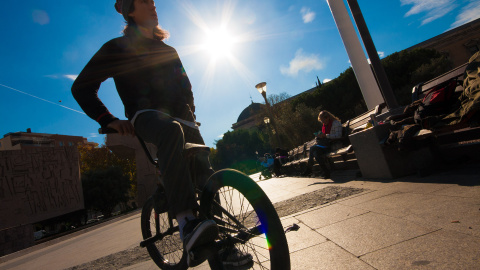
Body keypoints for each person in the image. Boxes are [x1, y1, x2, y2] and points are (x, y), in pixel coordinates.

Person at [71, 0, 251, 267]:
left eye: (154, 2)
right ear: (130, 10)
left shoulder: (168, 49)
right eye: (145, 1)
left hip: (185, 120)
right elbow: (82, 87)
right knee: (169, 130)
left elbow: (186, 86)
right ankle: (186, 221)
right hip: (147, 116)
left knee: (206, 178)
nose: (153, 6)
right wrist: (108, 120)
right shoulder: (116, 48)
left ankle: (225, 250)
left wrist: (190, 112)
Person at [301, 110, 343, 178]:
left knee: (313, 148)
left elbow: (338, 135)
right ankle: (326, 172)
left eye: (323, 120)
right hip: (326, 145)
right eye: (321, 121)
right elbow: (325, 136)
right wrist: (319, 136)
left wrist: (326, 136)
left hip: (333, 144)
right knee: (315, 153)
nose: (322, 122)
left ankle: (310, 169)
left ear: (327, 117)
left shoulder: (335, 123)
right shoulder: (325, 126)